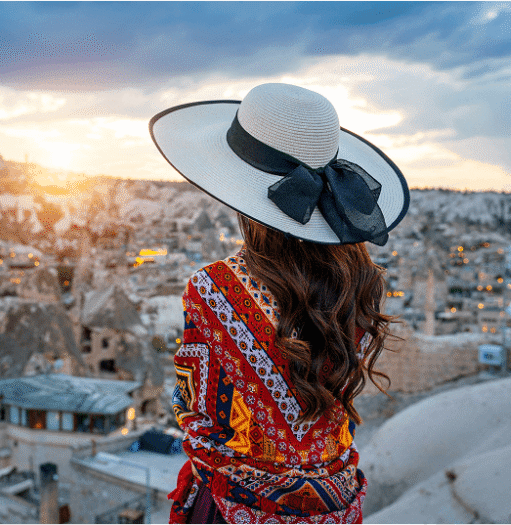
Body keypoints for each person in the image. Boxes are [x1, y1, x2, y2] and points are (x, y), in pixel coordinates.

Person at [149, 83, 409, 524]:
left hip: (236, 507)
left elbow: (198, 412)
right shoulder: (361, 283)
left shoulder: (214, 289)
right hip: (333, 503)